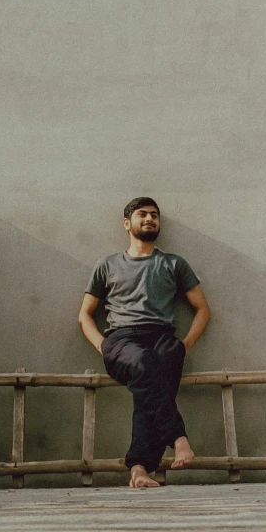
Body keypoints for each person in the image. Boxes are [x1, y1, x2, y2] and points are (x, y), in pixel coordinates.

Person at [78, 197, 210, 488]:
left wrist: (185, 344)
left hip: (161, 336)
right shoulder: (107, 264)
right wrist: (103, 345)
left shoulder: (173, 264)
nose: (149, 219)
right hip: (122, 339)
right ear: (127, 223)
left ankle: (139, 469)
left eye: (154, 215)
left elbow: (202, 309)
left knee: (153, 381)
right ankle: (179, 438)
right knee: (143, 363)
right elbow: (85, 315)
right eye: (142, 214)